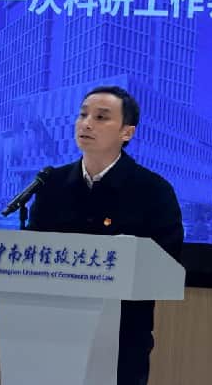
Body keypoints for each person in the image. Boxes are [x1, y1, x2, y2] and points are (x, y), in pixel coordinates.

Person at [27, 85, 183, 385]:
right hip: (53, 331)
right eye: (83, 115)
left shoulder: (154, 191)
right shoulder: (51, 184)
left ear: (127, 133)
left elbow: (168, 265)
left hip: (121, 339)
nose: (86, 124)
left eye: (101, 117)